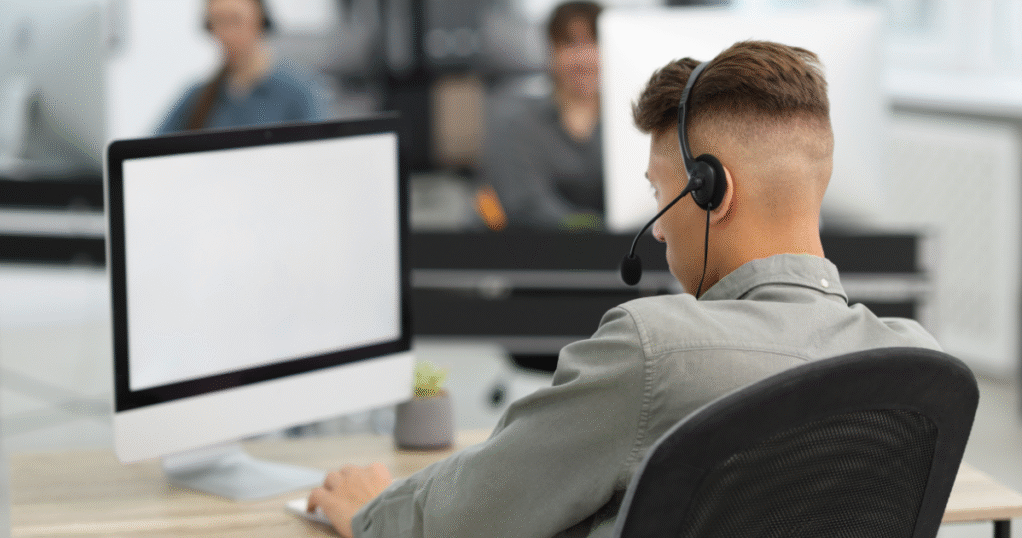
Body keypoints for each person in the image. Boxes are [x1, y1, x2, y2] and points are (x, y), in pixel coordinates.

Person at [306, 40, 942, 537]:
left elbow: (468, 516)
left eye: (662, 196)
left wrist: (372, 511)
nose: (660, 232)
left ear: (712, 192)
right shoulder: (918, 367)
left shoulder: (654, 348)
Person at [480, 1, 604, 231]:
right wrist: (593, 228)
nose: (582, 58)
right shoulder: (516, 122)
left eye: (592, 43)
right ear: (551, 51)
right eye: (569, 44)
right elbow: (525, 203)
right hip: (540, 251)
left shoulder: (628, 125)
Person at [156, 0, 328, 134]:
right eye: (218, 22)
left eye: (234, 20)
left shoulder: (299, 92)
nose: (226, 34)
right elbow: (152, 148)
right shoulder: (199, 96)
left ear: (260, 21)